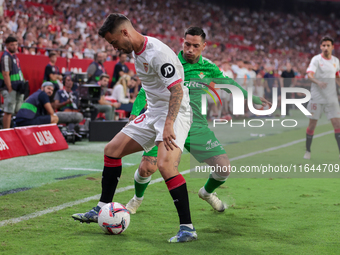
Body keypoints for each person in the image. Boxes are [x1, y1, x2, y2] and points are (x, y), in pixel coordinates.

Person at [72, 13, 195, 243]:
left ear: (125, 32)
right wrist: (139, 116)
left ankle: (187, 228)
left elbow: (177, 91)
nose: (115, 47)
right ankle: (101, 208)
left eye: (114, 42)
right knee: (112, 150)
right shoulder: (137, 53)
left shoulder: (157, 53)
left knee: (165, 165)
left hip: (175, 111)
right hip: (153, 112)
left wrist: (168, 125)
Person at [124, 27, 270, 219]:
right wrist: (135, 113)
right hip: (166, 122)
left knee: (223, 168)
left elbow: (228, 85)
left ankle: (207, 193)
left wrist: (253, 99)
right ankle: (136, 199)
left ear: (204, 46)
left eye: (195, 46)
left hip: (196, 125)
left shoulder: (208, 67)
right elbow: (145, 91)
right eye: (187, 44)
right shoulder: (169, 62)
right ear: (182, 42)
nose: (190, 49)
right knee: (147, 167)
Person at [304, 36, 340, 160]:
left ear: (332, 47)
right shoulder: (316, 60)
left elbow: (337, 77)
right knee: (312, 125)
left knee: (337, 124)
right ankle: (308, 150)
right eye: (323, 45)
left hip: (331, 98)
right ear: (320, 47)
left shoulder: (336, 60)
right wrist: (318, 82)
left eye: (328, 45)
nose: (325, 47)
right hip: (317, 98)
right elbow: (309, 75)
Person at [0, 36, 25, 129]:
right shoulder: (6, 56)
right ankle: (6, 131)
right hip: (10, 88)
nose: (15, 47)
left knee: (17, 109)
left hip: (17, 87)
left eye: (16, 44)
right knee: (8, 111)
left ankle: (14, 129)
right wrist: (9, 88)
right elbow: (5, 74)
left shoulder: (14, 56)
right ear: (6, 45)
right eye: (12, 45)